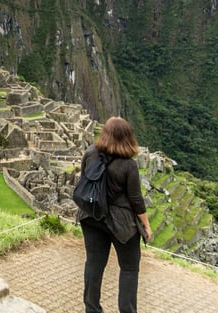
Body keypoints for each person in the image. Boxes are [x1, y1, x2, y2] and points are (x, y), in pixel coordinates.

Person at [77, 116, 153, 313]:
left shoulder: (91, 153)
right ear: (127, 137)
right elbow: (136, 199)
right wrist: (146, 225)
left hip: (92, 216)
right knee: (129, 268)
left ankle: (91, 309)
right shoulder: (128, 165)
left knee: (94, 263)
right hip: (122, 224)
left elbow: (84, 180)